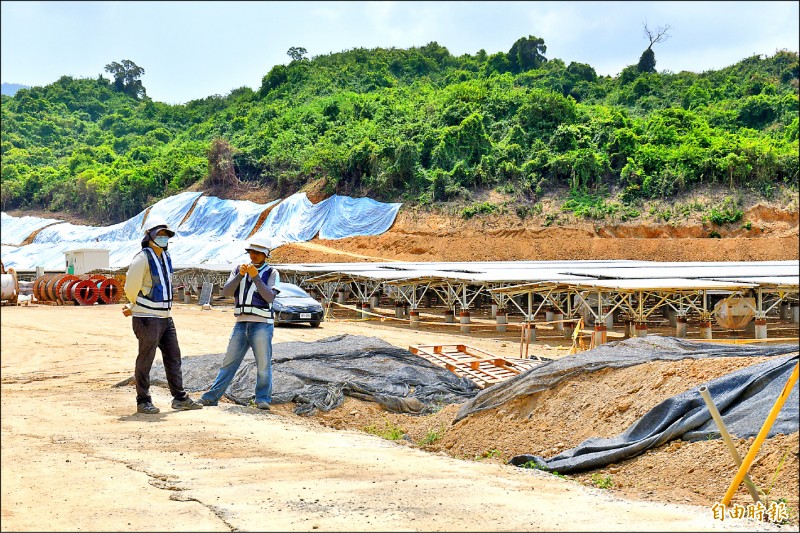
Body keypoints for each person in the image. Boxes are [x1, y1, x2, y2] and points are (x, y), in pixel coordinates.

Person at [123, 215, 203, 414]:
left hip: (165, 317)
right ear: (149, 236)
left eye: (166, 235)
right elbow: (130, 286)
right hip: (147, 317)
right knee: (146, 358)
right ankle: (143, 400)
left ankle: (179, 398)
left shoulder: (166, 258)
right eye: (160, 234)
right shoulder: (142, 259)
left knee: (173, 356)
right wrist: (134, 305)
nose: (164, 238)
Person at [200, 236, 279, 410]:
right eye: (252, 251)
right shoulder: (238, 270)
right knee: (229, 362)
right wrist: (240, 276)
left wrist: (256, 278)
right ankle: (211, 397)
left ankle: (263, 399)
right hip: (241, 323)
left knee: (263, 364)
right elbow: (227, 291)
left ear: (266, 255)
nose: (255, 255)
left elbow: (270, 297)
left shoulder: (272, 273)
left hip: (262, 324)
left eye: (259, 252)